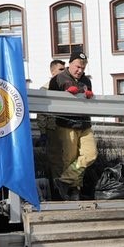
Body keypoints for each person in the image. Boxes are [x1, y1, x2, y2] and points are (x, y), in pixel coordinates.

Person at [47, 52, 98, 200]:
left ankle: (63, 181)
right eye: (77, 67)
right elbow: (51, 102)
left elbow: (87, 98)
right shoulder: (58, 79)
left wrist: (88, 96)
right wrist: (66, 95)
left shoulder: (86, 80)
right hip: (66, 123)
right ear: (70, 64)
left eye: (83, 68)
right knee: (69, 158)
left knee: (90, 154)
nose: (80, 70)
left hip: (84, 123)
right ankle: (74, 190)